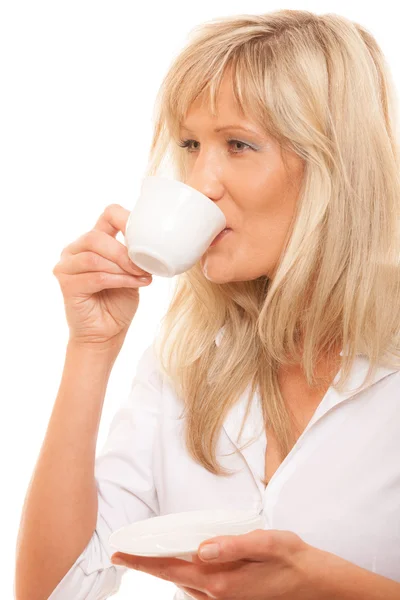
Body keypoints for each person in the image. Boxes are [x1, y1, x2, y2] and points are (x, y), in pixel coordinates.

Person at [15, 9, 400, 600]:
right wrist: (90, 348)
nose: (199, 180)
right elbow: (57, 592)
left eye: (238, 144)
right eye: (191, 144)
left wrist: (324, 584)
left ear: (334, 166)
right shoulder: (186, 363)